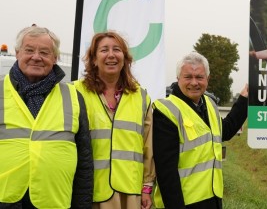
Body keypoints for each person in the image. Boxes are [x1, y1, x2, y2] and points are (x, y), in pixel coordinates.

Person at [0, 25, 93, 208]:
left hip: (54, 201)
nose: (36, 57)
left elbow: (84, 163)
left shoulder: (74, 97)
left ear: (55, 58)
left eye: (45, 52)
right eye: (29, 50)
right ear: (17, 53)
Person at [152, 51, 248, 208]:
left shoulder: (209, 103)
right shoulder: (165, 111)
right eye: (188, 77)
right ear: (178, 79)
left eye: (199, 77)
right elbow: (166, 173)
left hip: (212, 198)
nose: (194, 82)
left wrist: (244, 100)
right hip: (183, 202)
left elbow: (225, 131)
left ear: (207, 80)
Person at [73, 31, 155, 209]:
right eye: (104, 50)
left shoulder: (141, 96)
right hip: (90, 192)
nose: (111, 55)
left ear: (125, 58)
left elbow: (148, 145)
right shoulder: (74, 92)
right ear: (94, 59)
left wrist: (146, 187)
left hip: (130, 192)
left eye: (117, 49)